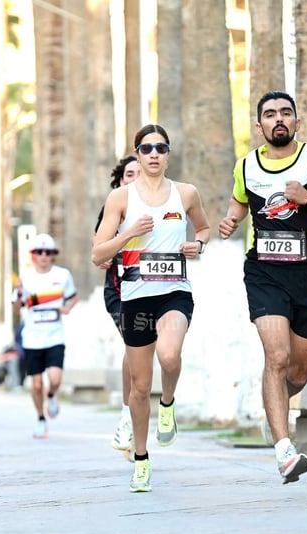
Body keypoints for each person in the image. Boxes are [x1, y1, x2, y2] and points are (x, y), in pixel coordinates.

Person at [218, 90, 307, 485]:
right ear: (260, 125)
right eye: (270, 114)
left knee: (296, 374)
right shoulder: (245, 165)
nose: (278, 119)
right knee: (277, 357)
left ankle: (276, 410)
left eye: (286, 113)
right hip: (264, 272)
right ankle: (284, 450)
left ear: (297, 122)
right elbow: (239, 202)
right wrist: (231, 220)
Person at [93, 124, 211, 492]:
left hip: (174, 290)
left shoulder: (186, 193)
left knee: (170, 355)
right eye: (146, 149)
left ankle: (170, 402)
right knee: (139, 387)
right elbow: (98, 252)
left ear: (169, 153)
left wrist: (199, 246)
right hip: (136, 296)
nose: (154, 154)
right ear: (137, 154)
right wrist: (129, 232)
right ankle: (141, 459)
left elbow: (204, 229)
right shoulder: (121, 199)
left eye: (161, 147)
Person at [94, 154, 141, 459]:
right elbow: (97, 250)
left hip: (156, 290)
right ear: (120, 181)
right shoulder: (114, 208)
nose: (134, 179)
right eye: (129, 175)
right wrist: (108, 254)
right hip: (119, 291)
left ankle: (136, 416)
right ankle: (127, 416)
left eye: (139, 173)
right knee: (132, 345)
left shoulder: (164, 204)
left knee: (149, 354)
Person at [13, 233, 78, 439]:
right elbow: (17, 308)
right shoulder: (25, 278)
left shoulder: (63, 275)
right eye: (39, 252)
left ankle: (52, 396)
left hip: (55, 335)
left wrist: (68, 307)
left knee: (55, 378)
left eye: (47, 252)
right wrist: (17, 293)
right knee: (37, 383)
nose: (43, 256)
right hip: (32, 337)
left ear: (53, 256)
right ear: (33, 255)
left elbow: (73, 296)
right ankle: (41, 419)